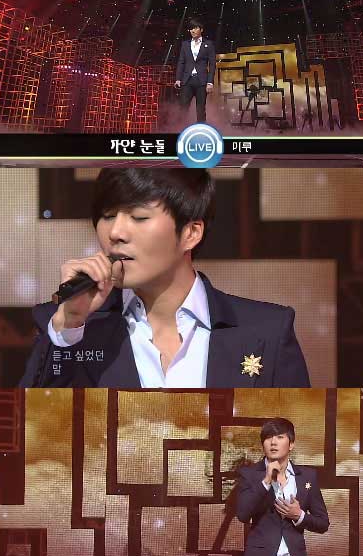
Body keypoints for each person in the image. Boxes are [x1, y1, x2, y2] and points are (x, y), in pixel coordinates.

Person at [20, 167, 310, 391]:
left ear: (190, 233)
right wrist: (68, 325)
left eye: (138, 217)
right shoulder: (66, 327)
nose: (115, 233)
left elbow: (296, 435)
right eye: (107, 216)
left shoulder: (267, 331)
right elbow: (30, 430)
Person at [235, 418, 329, 556]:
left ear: (291, 444)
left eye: (279, 437)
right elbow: (242, 514)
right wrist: (266, 481)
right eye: (268, 437)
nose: (273, 442)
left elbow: (323, 522)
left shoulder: (307, 477)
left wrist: (299, 515)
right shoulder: (249, 474)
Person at [175, 18, 216, 124]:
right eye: (191, 29)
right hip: (187, 80)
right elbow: (181, 62)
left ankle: (201, 130)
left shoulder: (208, 44)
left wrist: (210, 82)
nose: (192, 31)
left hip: (201, 81)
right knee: (183, 108)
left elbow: (212, 64)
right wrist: (178, 79)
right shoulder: (185, 44)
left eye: (195, 28)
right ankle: (180, 131)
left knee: (200, 109)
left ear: (201, 29)